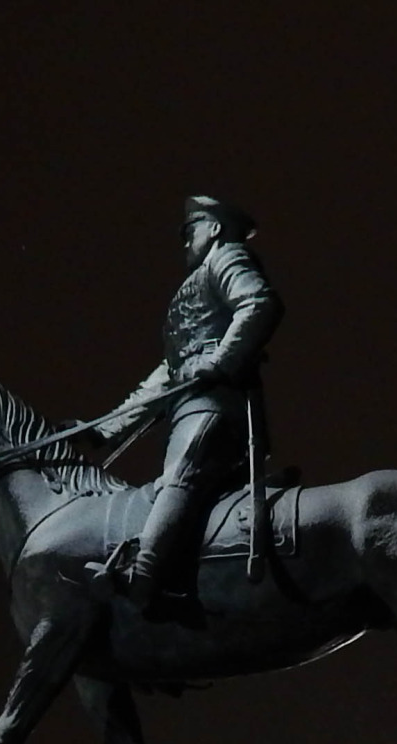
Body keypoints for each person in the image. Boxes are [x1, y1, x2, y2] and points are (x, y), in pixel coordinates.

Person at [87, 196, 284, 620]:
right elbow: (163, 375)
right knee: (173, 489)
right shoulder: (195, 286)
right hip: (190, 404)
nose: (184, 243)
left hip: (214, 405)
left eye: (189, 232)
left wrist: (219, 362)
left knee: (177, 480)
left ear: (213, 228)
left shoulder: (226, 258)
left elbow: (259, 304)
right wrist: (102, 430)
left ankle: (143, 579)